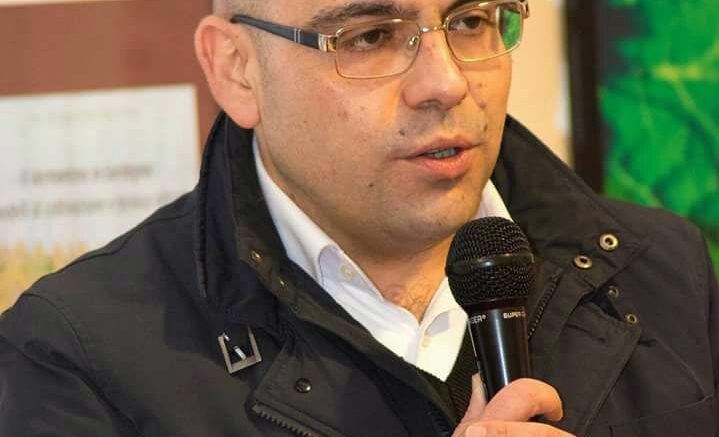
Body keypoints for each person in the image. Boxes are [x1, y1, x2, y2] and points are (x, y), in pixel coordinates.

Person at [1, 0, 717, 435]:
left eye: (471, 21)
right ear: (237, 70)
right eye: (370, 35)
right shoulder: (76, 357)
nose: (445, 82)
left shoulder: (662, 267)